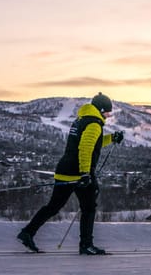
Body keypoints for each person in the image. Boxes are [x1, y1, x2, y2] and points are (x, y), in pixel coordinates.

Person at [17, 92, 125, 255]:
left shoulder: (82, 120)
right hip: (78, 173)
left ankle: (27, 232)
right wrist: (85, 174)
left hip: (64, 170)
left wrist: (111, 138)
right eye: (108, 112)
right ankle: (86, 245)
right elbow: (86, 149)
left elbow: (92, 142)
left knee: (53, 207)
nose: (108, 116)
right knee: (89, 208)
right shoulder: (94, 124)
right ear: (101, 110)